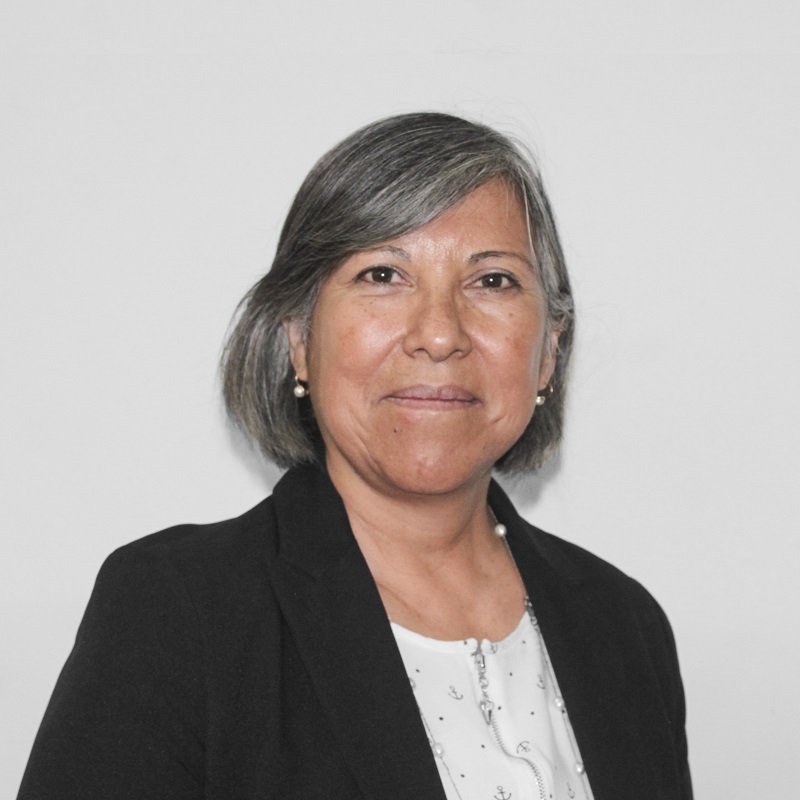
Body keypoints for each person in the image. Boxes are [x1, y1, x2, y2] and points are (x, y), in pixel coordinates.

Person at [17, 112, 692, 800]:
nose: (439, 334)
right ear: (299, 340)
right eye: (383, 274)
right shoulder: (179, 611)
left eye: (492, 281)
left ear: (548, 350)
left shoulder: (624, 626)